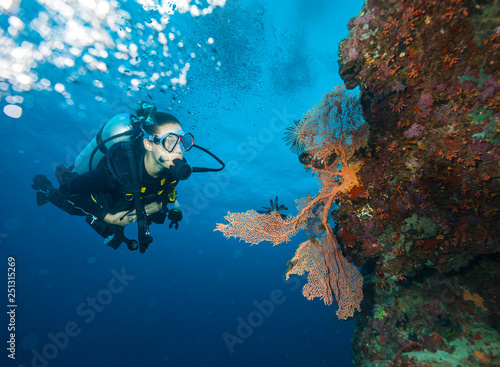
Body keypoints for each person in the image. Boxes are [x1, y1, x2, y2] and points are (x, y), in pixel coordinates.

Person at [32, 102, 198, 252]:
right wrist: (107, 217)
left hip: (130, 205)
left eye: (183, 141)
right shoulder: (117, 172)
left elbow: (170, 191)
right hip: (103, 202)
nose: (179, 150)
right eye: (169, 141)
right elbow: (67, 189)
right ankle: (44, 188)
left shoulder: (172, 167)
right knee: (73, 210)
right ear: (148, 144)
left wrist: (174, 208)